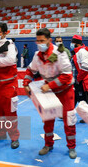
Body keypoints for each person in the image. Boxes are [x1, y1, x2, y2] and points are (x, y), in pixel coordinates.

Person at [23, 28, 77, 159]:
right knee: (47, 120)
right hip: (49, 92)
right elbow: (30, 70)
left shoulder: (60, 53)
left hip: (65, 92)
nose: (39, 43)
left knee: (69, 121)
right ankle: (48, 144)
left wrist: (50, 85)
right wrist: (25, 83)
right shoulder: (37, 55)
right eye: (37, 40)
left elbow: (67, 76)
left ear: (49, 40)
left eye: (42, 40)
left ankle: (71, 147)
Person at [70, 35, 88, 123]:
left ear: (76, 43)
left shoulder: (82, 52)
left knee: (83, 99)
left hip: (83, 80)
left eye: (72, 42)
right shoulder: (78, 52)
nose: (71, 44)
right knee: (75, 97)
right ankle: (68, 113)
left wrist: (78, 78)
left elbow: (85, 67)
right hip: (79, 80)